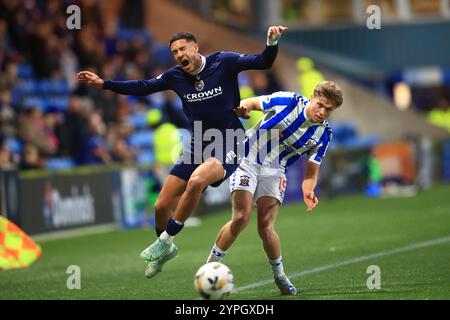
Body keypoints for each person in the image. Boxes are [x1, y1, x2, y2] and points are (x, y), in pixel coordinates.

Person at [76, 25, 288, 278]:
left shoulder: (224, 62)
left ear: (195, 48)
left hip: (229, 140)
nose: (178, 54)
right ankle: (166, 249)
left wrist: (272, 42)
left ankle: (165, 239)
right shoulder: (175, 76)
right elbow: (143, 86)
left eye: (182, 49)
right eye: (174, 51)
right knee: (160, 207)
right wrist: (104, 84)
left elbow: (263, 61)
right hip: (198, 144)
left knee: (197, 180)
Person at [206, 81, 343, 295]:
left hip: (275, 171)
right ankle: (209, 268)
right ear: (313, 96)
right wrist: (245, 108)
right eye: (320, 105)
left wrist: (308, 190)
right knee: (241, 218)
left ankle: (279, 275)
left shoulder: (323, 134)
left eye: (329, 110)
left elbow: (311, 171)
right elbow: (252, 103)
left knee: (266, 227)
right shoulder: (289, 101)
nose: (322, 112)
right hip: (247, 159)